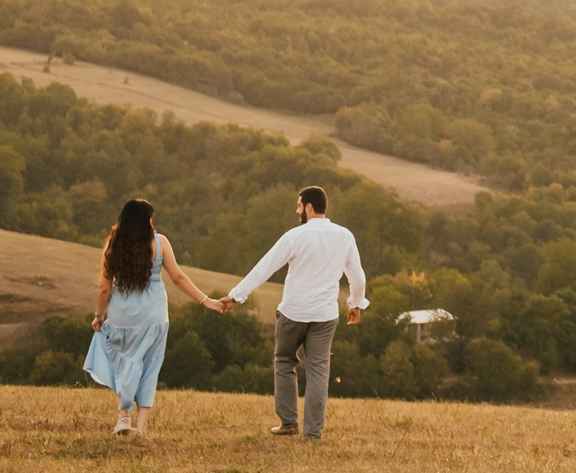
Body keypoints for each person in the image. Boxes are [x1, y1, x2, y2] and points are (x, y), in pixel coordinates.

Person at [220, 184, 368, 440]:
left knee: (285, 362)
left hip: (293, 312)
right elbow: (357, 275)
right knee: (319, 370)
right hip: (325, 315)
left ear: (309, 207)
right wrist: (355, 304)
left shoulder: (295, 236)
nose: (297, 210)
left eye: (299, 206)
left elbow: (264, 268)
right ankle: (313, 433)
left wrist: (236, 295)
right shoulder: (344, 236)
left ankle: (289, 423)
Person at [85, 197, 223, 440]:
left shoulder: (113, 246)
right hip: (154, 316)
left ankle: (123, 415)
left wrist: (98, 316)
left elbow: (104, 289)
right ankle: (141, 428)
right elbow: (178, 278)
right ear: (145, 221)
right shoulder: (160, 243)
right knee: (150, 366)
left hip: (122, 317)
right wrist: (206, 300)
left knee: (126, 363)